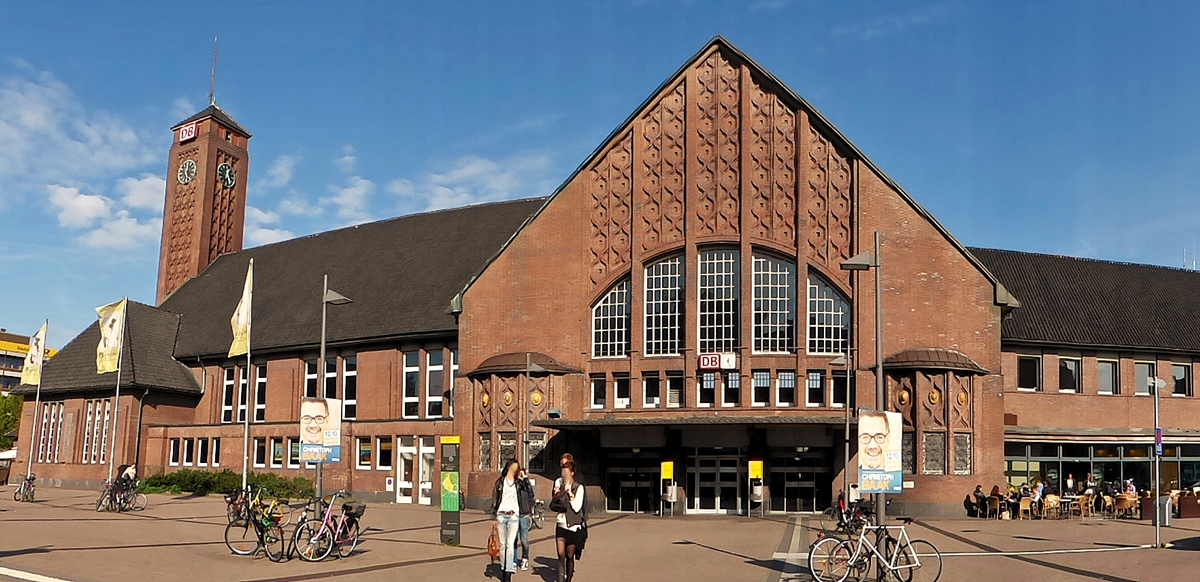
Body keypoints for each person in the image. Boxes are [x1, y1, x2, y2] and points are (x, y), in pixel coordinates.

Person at [554, 460, 586, 582]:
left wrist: (570, 494)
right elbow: (554, 506)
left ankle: (568, 579)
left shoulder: (579, 487)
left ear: (572, 472)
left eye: (566, 471)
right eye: (563, 471)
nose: (564, 474)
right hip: (561, 524)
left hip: (573, 526)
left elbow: (577, 507)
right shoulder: (559, 484)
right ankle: (561, 579)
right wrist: (557, 494)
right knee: (561, 556)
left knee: (569, 556)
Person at [491, 459, 522, 582]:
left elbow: (529, 493)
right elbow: (495, 499)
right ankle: (504, 569)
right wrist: (493, 516)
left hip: (513, 516)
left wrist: (524, 479)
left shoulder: (518, 483)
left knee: (510, 544)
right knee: (503, 545)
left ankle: (508, 573)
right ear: (509, 467)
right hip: (501, 515)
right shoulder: (500, 482)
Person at [512, 466, 536, 572]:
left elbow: (531, 495)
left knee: (524, 540)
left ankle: (525, 558)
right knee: (513, 539)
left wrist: (525, 479)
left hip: (524, 515)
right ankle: (513, 560)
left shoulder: (526, 485)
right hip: (515, 515)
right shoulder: (514, 484)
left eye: (522, 473)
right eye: (519, 473)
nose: (520, 475)